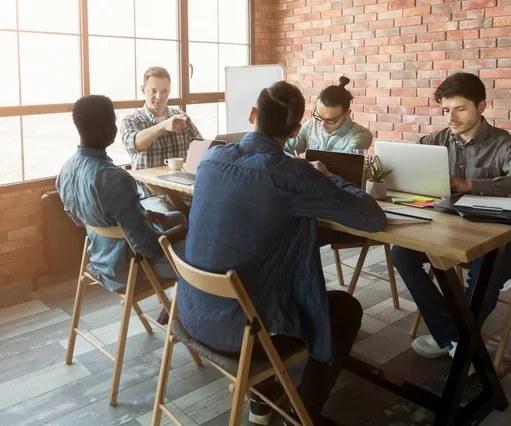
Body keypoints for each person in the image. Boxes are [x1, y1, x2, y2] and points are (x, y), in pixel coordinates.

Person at [177, 81, 387, 426]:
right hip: (245, 335)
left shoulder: (212, 157)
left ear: (252, 115)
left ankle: (261, 404)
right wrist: (330, 177)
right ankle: (301, 413)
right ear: (295, 131)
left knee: (254, 272)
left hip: (192, 312)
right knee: (346, 308)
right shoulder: (292, 174)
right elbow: (372, 218)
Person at [391, 72, 511, 361]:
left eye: (460, 109)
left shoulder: (506, 145)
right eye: (446, 109)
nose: (452, 117)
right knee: (401, 253)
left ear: (482, 106)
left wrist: (471, 185)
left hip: (502, 237)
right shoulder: (433, 141)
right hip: (444, 232)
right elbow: (408, 180)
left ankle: (454, 339)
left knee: (486, 269)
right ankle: (456, 339)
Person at [57, 95, 188, 294]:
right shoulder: (117, 179)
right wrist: (182, 231)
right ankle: (182, 318)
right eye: (114, 121)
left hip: (100, 257)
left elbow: (77, 219)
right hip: (132, 267)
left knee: (178, 216)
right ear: (109, 129)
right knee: (205, 255)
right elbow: (149, 246)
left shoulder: (65, 170)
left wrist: (141, 216)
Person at [120, 66, 202, 201]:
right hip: (150, 196)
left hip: (185, 193)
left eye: (164, 91)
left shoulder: (180, 116)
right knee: (174, 217)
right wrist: (163, 126)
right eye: (153, 91)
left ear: (170, 91)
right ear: (143, 90)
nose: (159, 97)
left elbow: (200, 147)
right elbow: (134, 144)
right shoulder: (132, 120)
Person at [285, 76, 372, 156]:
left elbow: (343, 168)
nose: (322, 124)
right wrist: (293, 161)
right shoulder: (313, 124)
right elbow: (285, 149)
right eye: (319, 116)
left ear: (347, 113)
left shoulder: (361, 135)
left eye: (330, 120)